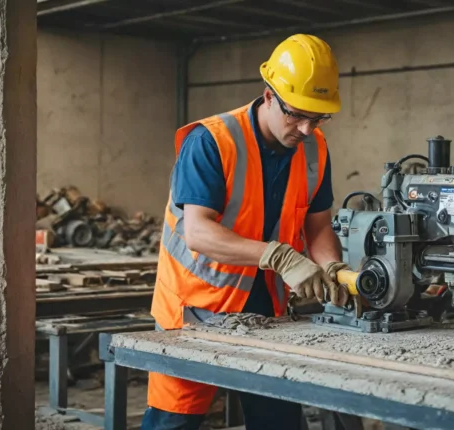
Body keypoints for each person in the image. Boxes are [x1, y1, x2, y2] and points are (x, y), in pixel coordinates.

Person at [141, 34, 352, 430]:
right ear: (268, 95)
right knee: (175, 422)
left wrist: (334, 268)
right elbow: (198, 232)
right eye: (297, 114)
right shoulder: (212, 141)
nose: (307, 129)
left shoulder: (314, 149)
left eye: (319, 117)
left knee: (279, 420)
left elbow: (319, 226)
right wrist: (280, 256)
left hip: (265, 312)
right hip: (194, 311)